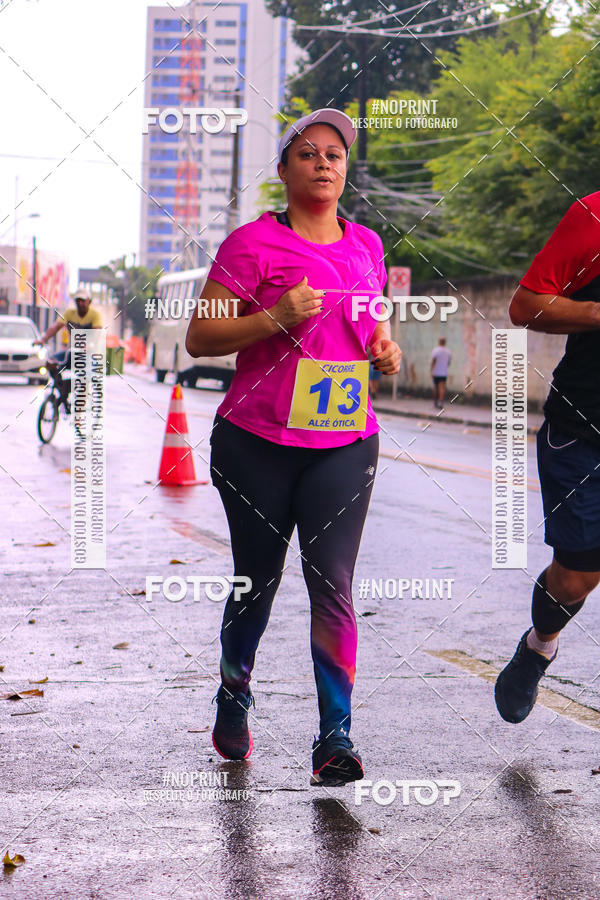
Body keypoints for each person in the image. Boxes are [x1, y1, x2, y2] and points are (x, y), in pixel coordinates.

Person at [186, 108, 401, 786]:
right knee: (258, 583)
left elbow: (371, 321)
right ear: (284, 171)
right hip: (258, 442)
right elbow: (201, 338)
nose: (324, 163)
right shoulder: (250, 245)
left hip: (344, 442)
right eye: (308, 154)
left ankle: (335, 737)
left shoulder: (367, 245)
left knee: (331, 582)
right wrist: (273, 318)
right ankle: (233, 692)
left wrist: (384, 348)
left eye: (335, 154)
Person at [495, 191, 600, 724]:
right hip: (583, 432)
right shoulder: (594, 215)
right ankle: (540, 645)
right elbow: (527, 305)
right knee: (577, 575)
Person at [35, 288, 103, 396]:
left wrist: (89, 345)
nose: (80, 303)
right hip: (71, 352)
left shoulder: (95, 315)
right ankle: (61, 388)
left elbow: (97, 333)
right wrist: (43, 339)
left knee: (86, 376)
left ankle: (81, 398)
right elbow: (55, 327)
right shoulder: (69, 314)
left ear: (89, 301)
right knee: (51, 362)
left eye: (83, 300)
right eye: (77, 300)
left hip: (89, 354)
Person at [430, 337, 451, 408]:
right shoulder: (448, 351)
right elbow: (448, 362)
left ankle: (435, 401)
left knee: (436, 387)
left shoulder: (436, 351)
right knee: (442, 387)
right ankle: (441, 401)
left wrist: (431, 371)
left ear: (439, 342)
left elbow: (433, 361)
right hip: (443, 372)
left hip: (436, 372)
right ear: (445, 342)